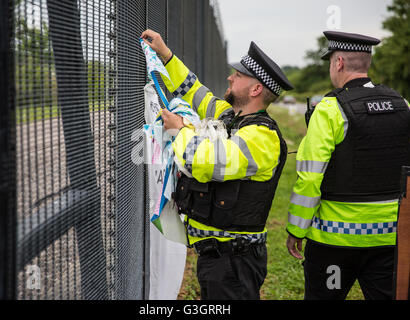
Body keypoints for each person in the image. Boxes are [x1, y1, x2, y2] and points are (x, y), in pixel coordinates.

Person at [141, 29, 293, 300]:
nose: (230, 77)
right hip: (220, 257)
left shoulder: (261, 137)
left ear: (256, 89)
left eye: (238, 75)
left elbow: (208, 162)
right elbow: (196, 93)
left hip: (233, 261)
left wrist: (179, 129)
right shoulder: (231, 117)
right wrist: (166, 56)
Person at [286, 30, 410, 300]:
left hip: (334, 243)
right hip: (391, 239)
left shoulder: (330, 109)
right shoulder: (403, 105)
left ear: (338, 62)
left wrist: (296, 229)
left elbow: (310, 178)